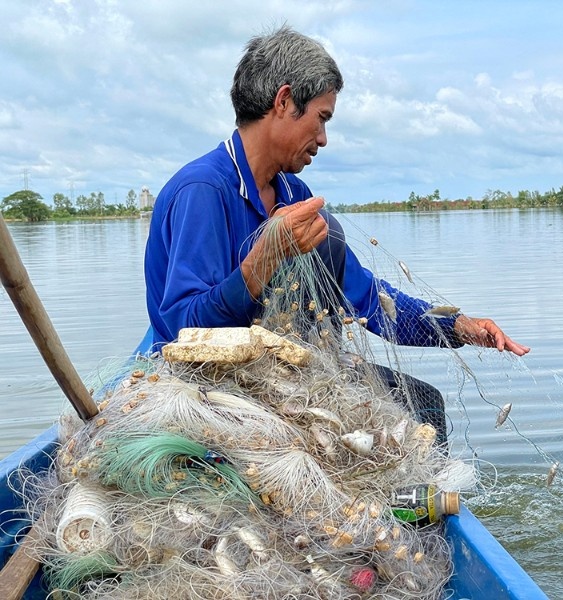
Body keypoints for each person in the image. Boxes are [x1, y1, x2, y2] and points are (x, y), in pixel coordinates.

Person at [144, 26, 530, 446]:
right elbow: (183, 330)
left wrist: (457, 327)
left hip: (285, 376)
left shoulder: (294, 194)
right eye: (321, 118)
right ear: (284, 101)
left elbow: (366, 300)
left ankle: (419, 510)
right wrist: (264, 258)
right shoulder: (203, 191)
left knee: (424, 405)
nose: (324, 139)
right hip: (211, 391)